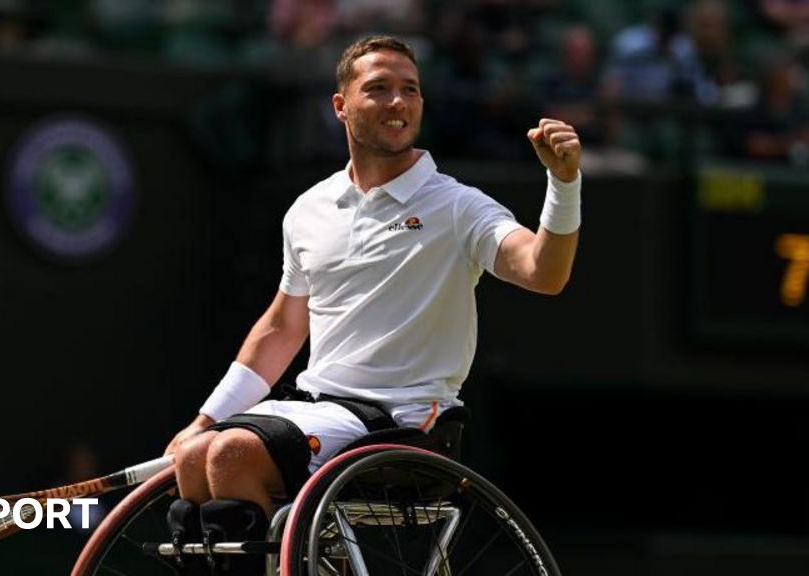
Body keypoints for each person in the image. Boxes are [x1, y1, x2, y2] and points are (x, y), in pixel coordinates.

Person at [163, 34, 581, 576]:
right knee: (197, 458)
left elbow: (544, 273)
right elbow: (281, 329)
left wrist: (564, 182)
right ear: (341, 106)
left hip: (404, 423)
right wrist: (205, 419)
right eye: (378, 89)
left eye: (410, 90)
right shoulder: (309, 209)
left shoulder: (457, 206)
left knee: (232, 453)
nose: (398, 102)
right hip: (319, 411)